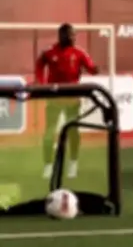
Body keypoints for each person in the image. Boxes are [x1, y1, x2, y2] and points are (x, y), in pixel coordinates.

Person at [35, 23, 99, 179]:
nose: (73, 37)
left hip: (72, 98)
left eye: (74, 34)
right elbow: (39, 65)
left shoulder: (79, 53)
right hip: (54, 98)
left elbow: (91, 68)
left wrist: (94, 69)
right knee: (49, 133)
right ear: (61, 36)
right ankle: (48, 165)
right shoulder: (50, 52)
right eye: (70, 34)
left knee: (73, 131)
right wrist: (41, 83)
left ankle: (73, 163)